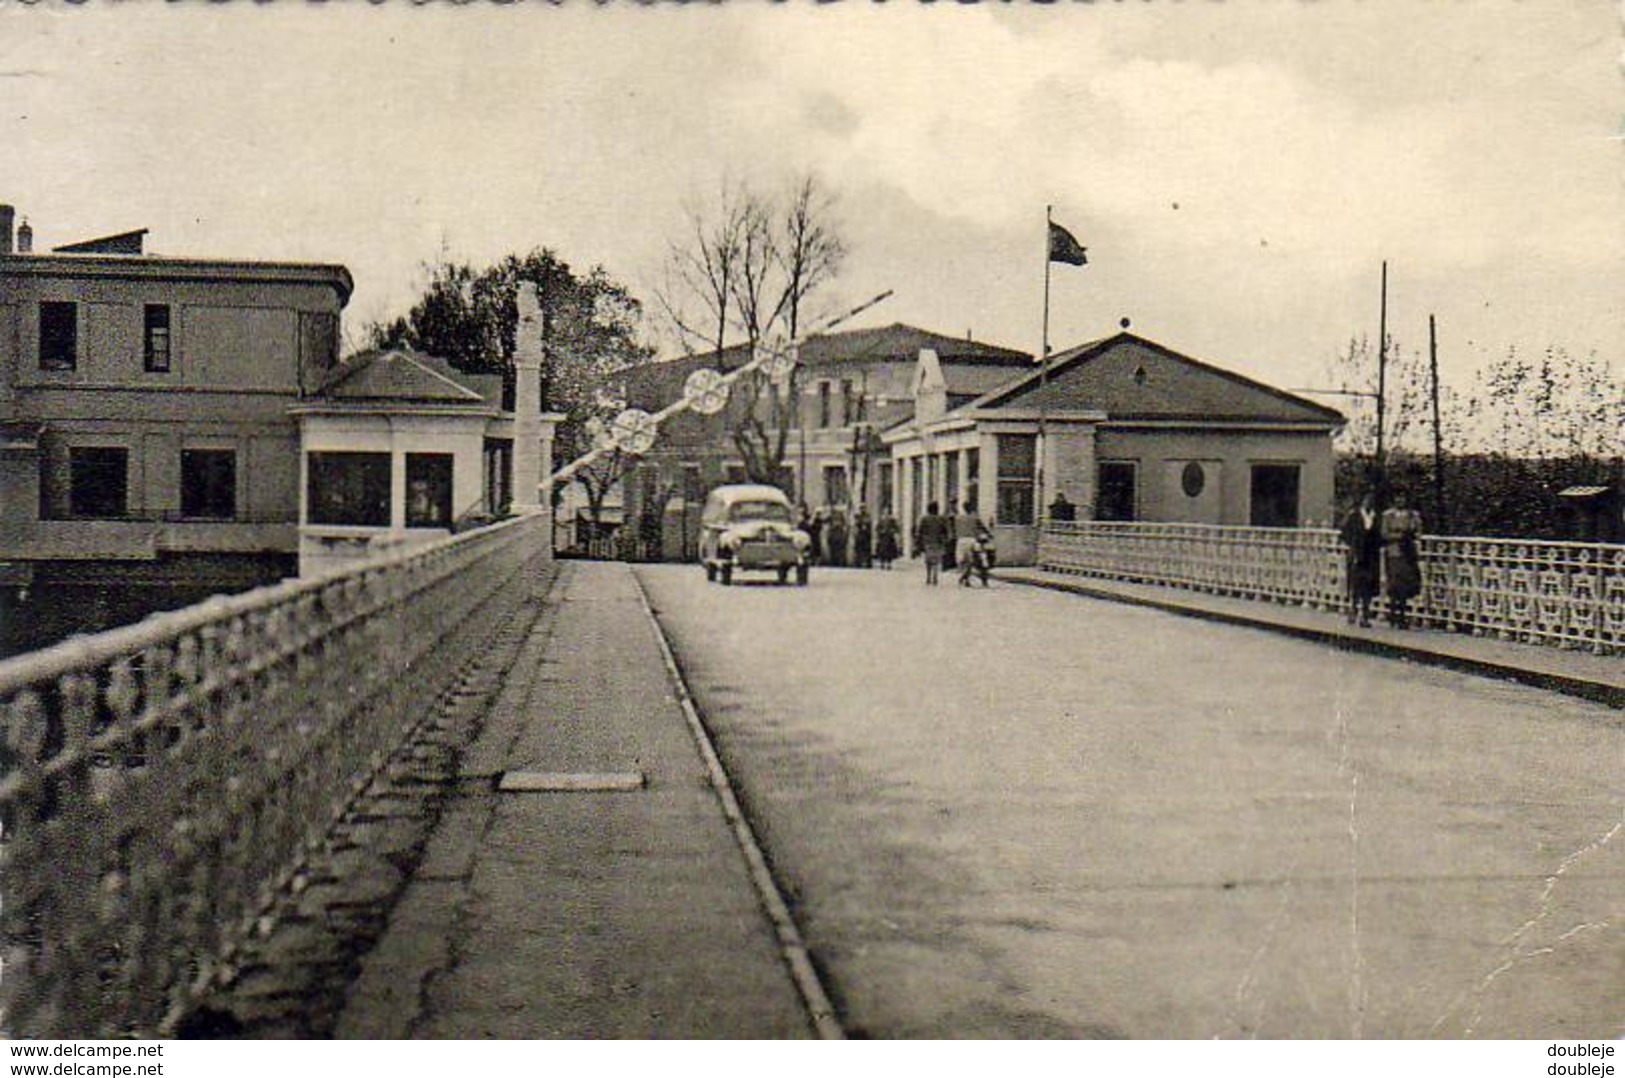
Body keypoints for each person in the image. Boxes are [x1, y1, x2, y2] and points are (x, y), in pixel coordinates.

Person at [1338, 491, 1382, 627]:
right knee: (1356, 583)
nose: (1369, 504)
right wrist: (1353, 546)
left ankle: (1365, 615)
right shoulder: (1355, 516)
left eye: (1372, 501)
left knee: (1368, 585)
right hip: (1357, 553)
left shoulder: (1376, 518)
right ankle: (1353, 610)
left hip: (1371, 555)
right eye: (1367, 500)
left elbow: (1380, 536)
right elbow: (1344, 534)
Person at [1381, 494, 1424, 629]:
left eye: (1403, 498)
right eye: (1398, 498)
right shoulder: (1388, 515)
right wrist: (1398, 535)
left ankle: (1403, 614)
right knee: (1395, 582)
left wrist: (1412, 534)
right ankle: (1393, 612)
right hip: (1394, 551)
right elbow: (1384, 533)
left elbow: (1419, 533)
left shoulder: (1412, 515)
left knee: (1406, 582)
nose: (1400, 501)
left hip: (1408, 552)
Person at [915, 501, 951, 586]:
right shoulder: (941, 518)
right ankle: (935, 575)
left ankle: (928, 576)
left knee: (928, 560)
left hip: (927, 541)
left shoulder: (924, 519)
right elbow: (946, 530)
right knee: (937, 559)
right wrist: (946, 539)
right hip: (938, 541)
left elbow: (920, 530)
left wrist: (918, 541)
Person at [953, 500, 983, 587]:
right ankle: (965, 578)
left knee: (962, 561)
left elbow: (955, 528)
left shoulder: (958, 518)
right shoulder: (975, 517)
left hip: (961, 540)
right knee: (971, 561)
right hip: (972, 540)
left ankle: (965, 577)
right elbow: (981, 527)